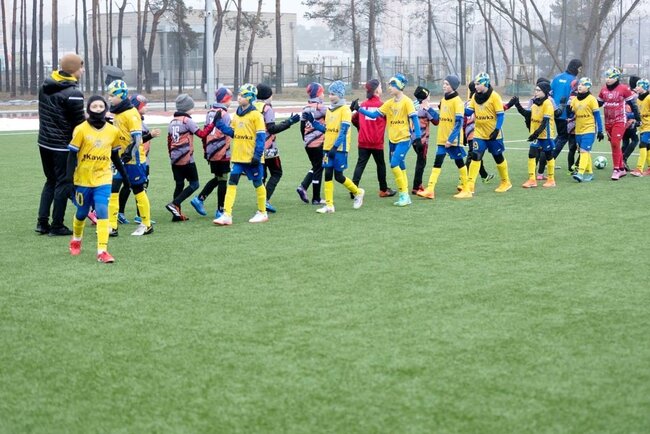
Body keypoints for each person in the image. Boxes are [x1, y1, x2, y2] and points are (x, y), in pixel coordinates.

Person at [66, 95, 130, 263]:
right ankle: (76, 239)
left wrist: (125, 176)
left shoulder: (113, 131)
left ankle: (102, 251)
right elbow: (72, 156)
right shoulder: (80, 129)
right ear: (88, 109)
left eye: (101, 106)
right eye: (94, 107)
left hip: (103, 178)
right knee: (81, 213)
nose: (98, 109)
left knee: (102, 211)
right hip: (83, 179)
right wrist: (68, 179)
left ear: (106, 109)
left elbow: (115, 156)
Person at [36, 52, 86, 236]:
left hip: (44, 142)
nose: (83, 70)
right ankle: (57, 225)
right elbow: (79, 124)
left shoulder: (44, 86)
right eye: (81, 67)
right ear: (74, 69)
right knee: (63, 183)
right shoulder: (74, 93)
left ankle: (42, 223)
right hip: (62, 146)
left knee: (51, 180)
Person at [355, 73, 422, 206]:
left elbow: (414, 119)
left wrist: (418, 138)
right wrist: (359, 109)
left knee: (394, 164)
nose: (389, 87)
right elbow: (374, 115)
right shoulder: (389, 103)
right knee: (400, 165)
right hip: (393, 140)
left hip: (404, 139)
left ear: (399, 86)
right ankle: (406, 196)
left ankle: (403, 195)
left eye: (392, 85)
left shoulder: (407, 102)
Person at [303, 80, 365, 214]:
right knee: (327, 174)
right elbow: (326, 129)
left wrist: (335, 147)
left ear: (340, 94)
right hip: (327, 147)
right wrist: (313, 121)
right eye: (330, 93)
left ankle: (358, 192)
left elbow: (344, 131)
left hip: (340, 149)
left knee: (338, 176)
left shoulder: (345, 110)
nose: (330, 96)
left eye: (333, 94)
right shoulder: (329, 110)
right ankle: (329, 205)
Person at [212, 84, 270, 225]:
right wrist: (219, 124)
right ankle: (227, 214)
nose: (239, 97)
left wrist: (257, 155)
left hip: (252, 158)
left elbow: (261, 137)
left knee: (258, 183)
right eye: (239, 95)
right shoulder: (237, 114)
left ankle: (262, 212)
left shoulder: (256, 115)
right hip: (238, 157)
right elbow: (233, 133)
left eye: (243, 95)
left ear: (250, 98)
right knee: (232, 183)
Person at [106, 79, 153, 236]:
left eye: (112, 95)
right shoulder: (117, 113)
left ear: (121, 95)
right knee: (113, 190)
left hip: (133, 160)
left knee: (138, 190)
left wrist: (127, 155)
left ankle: (146, 224)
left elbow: (137, 139)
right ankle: (112, 226)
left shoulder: (132, 114)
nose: (109, 98)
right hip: (118, 160)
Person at [416, 75, 468, 199]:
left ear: (453, 86)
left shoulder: (458, 102)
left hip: (453, 140)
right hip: (442, 139)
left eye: (447, 84)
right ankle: (430, 190)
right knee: (437, 162)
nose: (444, 86)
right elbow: (439, 119)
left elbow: (459, 123)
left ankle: (466, 189)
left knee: (459, 162)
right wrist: (428, 109)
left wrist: (450, 139)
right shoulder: (443, 100)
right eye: (444, 83)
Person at [165, 94, 216, 221]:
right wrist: (214, 123)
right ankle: (174, 204)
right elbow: (202, 134)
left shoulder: (172, 122)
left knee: (179, 185)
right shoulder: (187, 121)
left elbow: (169, 141)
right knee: (194, 184)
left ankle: (176, 214)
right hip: (186, 159)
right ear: (187, 108)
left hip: (174, 159)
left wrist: (171, 156)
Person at [254, 83, 301, 213]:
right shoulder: (267, 109)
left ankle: (261, 200)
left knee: (262, 175)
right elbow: (272, 128)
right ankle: (265, 200)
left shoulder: (252, 107)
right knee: (277, 172)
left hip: (255, 147)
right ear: (267, 96)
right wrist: (289, 122)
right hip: (269, 147)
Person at [465, 72, 512, 194]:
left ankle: (505, 182)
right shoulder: (475, 97)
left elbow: (500, 115)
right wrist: (459, 109)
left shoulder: (495, 96)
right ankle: (470, 185)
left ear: (485, 83)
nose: (475, 86)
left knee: (498, 156)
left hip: (493, 134)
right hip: (479, 133)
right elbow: (469, 112)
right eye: (475, 84)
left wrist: (496, 130)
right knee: (476, 156)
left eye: (478, 84)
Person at [117, 93, 160, 224]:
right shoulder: (134, 120)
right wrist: (150, 135)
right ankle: (133, 215)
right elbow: (136, 140)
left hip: (141, 157)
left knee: (135, 186)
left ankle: (136, 214)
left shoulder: (138, 120)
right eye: (144, 105)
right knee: (133, 186)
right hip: (136, 159)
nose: (146, 107)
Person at [190, 87, 233, 219]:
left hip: (211, 149)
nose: (231, 101)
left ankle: (200, 199)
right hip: (221, 150)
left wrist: (206, 150)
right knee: (223, 179)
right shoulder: (224, 114)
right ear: (225, 99)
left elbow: (206, 132)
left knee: (218, 177)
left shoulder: (210, 112)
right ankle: (220, 209)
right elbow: (227, 132)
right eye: (230, 98)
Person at [349, 79, 396, 198]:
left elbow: (354, 119)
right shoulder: (382, 106)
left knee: (360, 165)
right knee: (381, 165)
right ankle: (383, 190)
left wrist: (361, 128)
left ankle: (353, 189)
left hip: (363, 141)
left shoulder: (363, 105)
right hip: (376, 142)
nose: (381, 88)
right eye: (380, 86)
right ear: (376, 91)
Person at [597, 67, 641, 180]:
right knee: (614, 145)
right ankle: (621, 168)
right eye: (606, 77)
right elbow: (598, 104)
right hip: (608, 122)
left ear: (617, 78)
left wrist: (638, 118)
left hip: (620, 120)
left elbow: (633, 105)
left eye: (610, 77)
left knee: (616, 143)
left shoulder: (624, 89)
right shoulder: (603, 90)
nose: (608, 79)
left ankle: (616, 169)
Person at [521, 81, 558, 188]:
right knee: (531, 154)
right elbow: (527, 114)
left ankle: (551, 179)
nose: (536, 92)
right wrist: (517, 105)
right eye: (535, 90)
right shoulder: (535, 103)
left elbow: (545, 122)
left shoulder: (548, 103)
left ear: (545, 92)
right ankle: (532, 179)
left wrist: (536, 133)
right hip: (536, 135)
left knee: (548, 156)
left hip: (546, 135)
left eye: (538, 90)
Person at [296, 82, 328, 205]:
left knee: (316, 166)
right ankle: (316, 198)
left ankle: (303, 187)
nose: (324, 95)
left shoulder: (305, 108)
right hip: (319, 143)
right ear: (319, 94)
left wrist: (305, 140)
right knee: (319, 168)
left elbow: (302, 126)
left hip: (308, 143)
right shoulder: (322, 108)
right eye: (323, 92)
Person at [568, 77, 604, 182]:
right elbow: (571, 114)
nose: (580, 86)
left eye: (583, 85)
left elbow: (597, 116)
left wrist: (600, 130)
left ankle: (580, 173)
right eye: (579, 84)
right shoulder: (574, 100)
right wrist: (566, 107)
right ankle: (590, 173)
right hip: (578, 130)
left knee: (584, 151)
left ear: (588, 87)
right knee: (584, 151)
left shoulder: (592, 99)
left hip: (589, 129)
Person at [551, 59, 582, 166]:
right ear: (575, 68)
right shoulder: (574, 81)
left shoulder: (557, 77)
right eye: (579, 68)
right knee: (563, 137)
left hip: (555, 112)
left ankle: (546, 158)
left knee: (560, 135)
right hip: (566, 114)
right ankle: (548, 161)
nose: (580, 71)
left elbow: (550, 93)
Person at [463, 82, 494, 185]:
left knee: (477, 155)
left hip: (469, 132)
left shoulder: (467, 103)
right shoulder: (478, 101)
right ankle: (463, 179)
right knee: (473, 155)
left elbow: (464, 120)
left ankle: (484, 176)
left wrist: (463, 134)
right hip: (477, 132)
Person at [410, 85, 438, 194]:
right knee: (421, 162)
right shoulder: (425, 108)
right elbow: (436, 121)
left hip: (412, 138)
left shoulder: (412, 105)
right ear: (425, 96)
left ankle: (418, 184)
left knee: (420, 160)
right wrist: (430, 108)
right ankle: (417, 186)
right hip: (422, 139)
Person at [630, 78, 650, 176]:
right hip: (643, 127)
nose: (636, 87)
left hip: (649, 127)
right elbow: (638, 113)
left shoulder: (649, 98)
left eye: (638, 86)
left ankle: (639, 169)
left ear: (644, 87)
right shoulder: (638, 99)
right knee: (648, 147)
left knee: (642, 145)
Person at [623, 75, 641, 171]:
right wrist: (638, 119)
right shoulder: (635, 96)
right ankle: (624, 158)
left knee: (625, 141)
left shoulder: (626, 92)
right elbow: (636, 110)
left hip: (622, 120)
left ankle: (620, 162)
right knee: (635, 140)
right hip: (630, 121)